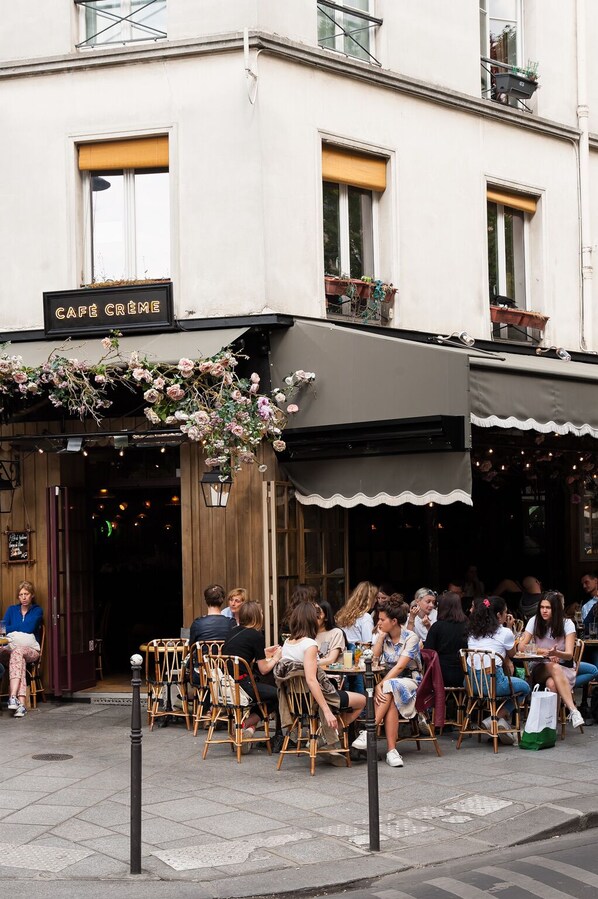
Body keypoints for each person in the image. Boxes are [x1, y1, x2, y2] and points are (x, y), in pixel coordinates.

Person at [278, 601, 365, 765]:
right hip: (314, 699)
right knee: (362, 700)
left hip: (296, 700)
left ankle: (325, 738)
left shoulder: (288, 643)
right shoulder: (310, 644)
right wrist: (326, 710)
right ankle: (326, 737)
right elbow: (311, 680)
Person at [352, 599, 422, 768]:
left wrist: (380, 685)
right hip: (389, 685)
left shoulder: (411, 637)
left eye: (382, 619)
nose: (379, 622)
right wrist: (381, 638)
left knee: (390, 687)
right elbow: (373, 660)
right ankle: (392, 751)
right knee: (390, 696)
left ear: (394, 621)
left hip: (411, 681)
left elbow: (400, 667)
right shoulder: (384, 636)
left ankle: (369, 731)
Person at [466, 595, 530, 743]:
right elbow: (512, 654)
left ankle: (501, 723)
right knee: (525, 687)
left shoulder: (472, 631)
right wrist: (510, 628)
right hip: (493, 683)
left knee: (509, 683)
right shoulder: (505, 632)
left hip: (471, 683)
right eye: (505, 612)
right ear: (498, 615)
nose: (507, 615)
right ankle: (494, 718)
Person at [517, 592, 584, 729]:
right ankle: (573, 710)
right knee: (554, 667)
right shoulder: (534, 620)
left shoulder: (567, 624)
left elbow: (569, 655)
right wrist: (546, 653)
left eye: (548, 608)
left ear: (556, 609)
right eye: (542, 607)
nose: (544, 611)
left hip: (564, 669)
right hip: (539, 667)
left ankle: (550, 727)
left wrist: (556, 653)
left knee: (552, 683)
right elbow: (521, 646)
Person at [221, 601, 281, 752]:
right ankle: (246, 724)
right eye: (261, 612)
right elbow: (264, 669)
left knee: (264, 692)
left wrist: (264, 652)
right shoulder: (256, 635)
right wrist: (276, 657)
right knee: (279, 694)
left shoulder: (232, 632)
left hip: (226, 685)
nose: (262, 615)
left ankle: (249, 729)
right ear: (256, 616)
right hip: (243, 686)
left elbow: (241, 653)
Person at [0, 581, 43, 719]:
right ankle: (21, 704)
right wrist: (20, 628)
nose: (23, 597)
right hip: (13, 651)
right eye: (21, 594)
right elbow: (2, 628)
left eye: (26, 594)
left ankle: (12, 696)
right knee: (18, 657)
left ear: (32, 595)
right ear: (18, 597)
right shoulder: (11, 610)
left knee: (18, 652)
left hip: (32, 651)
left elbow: (30, 628)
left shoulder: (37, 610)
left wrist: (13, 629)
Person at [335, 581, 377, 693]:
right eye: (375, 597)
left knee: (348, 691)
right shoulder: (365, 617)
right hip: (358, 658)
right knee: (360, 693)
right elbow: (367, 644)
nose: (376, 601)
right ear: (369, 599)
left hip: (344, 657)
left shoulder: (343, 614)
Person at [424, 592, 468, 687]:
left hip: (440, 675)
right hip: (464, 675)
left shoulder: (437, 626)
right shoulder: (467, 625)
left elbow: (428, 652)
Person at [315, 601, 346, 665]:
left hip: (330, 670)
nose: (314, 616)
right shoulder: (308, 634)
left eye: (318, 613)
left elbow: (331, 660)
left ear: (326, 617)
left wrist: (308, 663)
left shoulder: (336, 633)